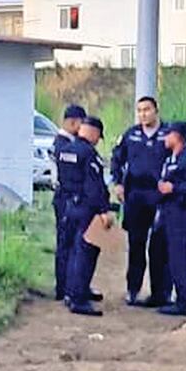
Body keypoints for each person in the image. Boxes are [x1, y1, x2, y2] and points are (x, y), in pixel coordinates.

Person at [111, 96, 171, 306]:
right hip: (135, 196)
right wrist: (118, 183)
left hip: (159, 197)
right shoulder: (131, 134)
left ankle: (160, 293)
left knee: (159, 247)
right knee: (136, 245)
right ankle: (133, 289)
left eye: (147, 109)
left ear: (156, 110)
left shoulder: (168, 134)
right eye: (140, 110)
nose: (143, 114)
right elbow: (117, 159)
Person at [150, 122, 186, 317]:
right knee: (165, 257)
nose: (165, 139)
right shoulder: (170, 159)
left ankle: (183, 302)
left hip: (182, 216)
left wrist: (174, 188)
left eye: (168, 135)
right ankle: (163, 295)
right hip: (167, 213)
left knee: (180, 259)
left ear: (177, 136)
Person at [64, 117, 113, 317]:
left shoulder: (67, 149)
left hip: (70, 205)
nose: (97, 141)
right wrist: (103, 210)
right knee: (86, 253)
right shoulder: (89, 154)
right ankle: (79, 298)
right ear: (93, 132)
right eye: (98, 137)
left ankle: (70, 293)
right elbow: (94, 185)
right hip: (86, 208)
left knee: (74, 251)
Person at [52, 104, 89, 301]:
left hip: (70, 198)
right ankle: (64, 287)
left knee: (76, 244)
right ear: (74, 122)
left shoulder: (69, 143)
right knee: (66, 243)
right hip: (65, 198)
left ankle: (74, 285)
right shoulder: (62, 144)